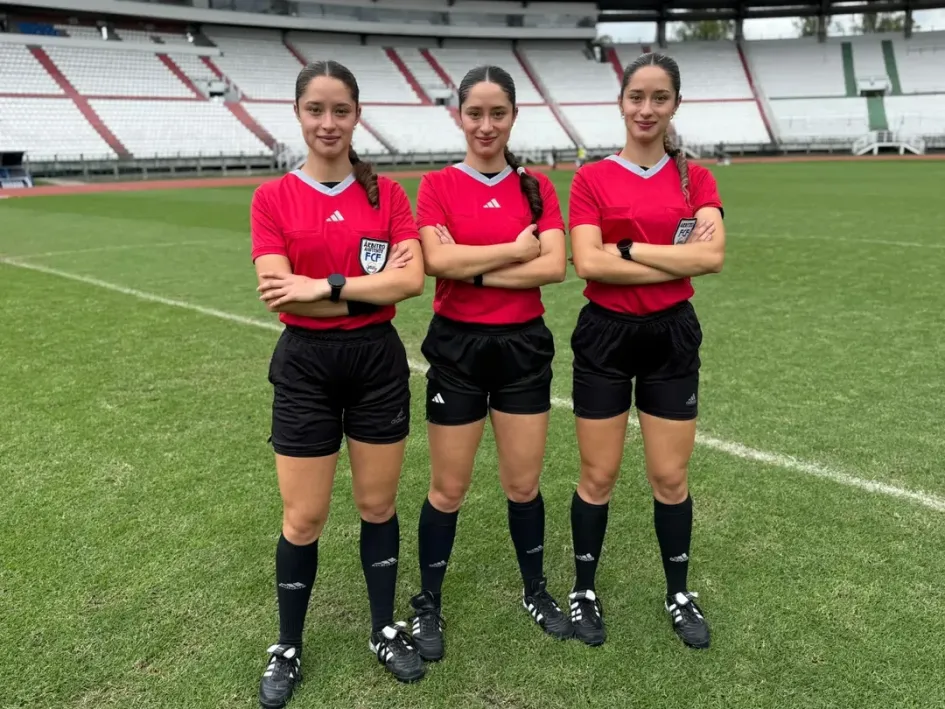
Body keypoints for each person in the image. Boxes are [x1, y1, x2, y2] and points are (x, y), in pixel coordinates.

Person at [250, 60, 427, 708]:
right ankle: (288, 645)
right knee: (304, 516)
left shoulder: (389, 196)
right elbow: (278, 295)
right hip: (304, 366)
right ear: (298, 114)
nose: (328, 123)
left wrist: (324, 286)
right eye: (315, 109)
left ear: (357, 115)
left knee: (377, 506)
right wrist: (359, 294)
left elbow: (409, 282)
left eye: (341, 110)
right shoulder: (272, 198)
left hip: (376, 362)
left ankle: (383, 627)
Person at [407, 65, 571, 662]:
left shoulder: (536, 188)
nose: (485, 125)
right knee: (448, 488)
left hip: (522, 345)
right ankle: (427, 601)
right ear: (458, 116)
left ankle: (535, 590)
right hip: (458, 347)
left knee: (523, 483)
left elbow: (553, 267)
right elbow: (435, 262)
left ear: (513, 117)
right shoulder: (436, 186)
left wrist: (470, 263)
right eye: (474, 113)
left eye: (496, 113)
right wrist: (511, 251)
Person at [566, 52, 726, 650]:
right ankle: (584, 588)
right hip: (605, 333)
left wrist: (628, 251)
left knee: (669, 474)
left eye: (660, 98)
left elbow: (710, 258)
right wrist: (664, 258)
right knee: (598, 473)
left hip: (671, 334)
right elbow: (587, 262)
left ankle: (678, 591)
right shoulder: (592, 178)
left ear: (675, 104)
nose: (647, 109)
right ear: (621, 102)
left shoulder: (696, 178)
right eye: (637, 96)